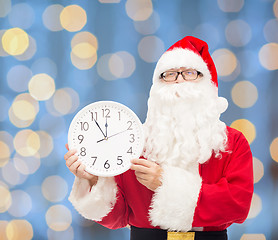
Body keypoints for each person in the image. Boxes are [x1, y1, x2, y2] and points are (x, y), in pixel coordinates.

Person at [64, 36, 254, 240]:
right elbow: (118, 217)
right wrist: (94, 179)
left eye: (190, 73)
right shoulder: (134, 142)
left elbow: (238, 205)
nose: (179, 80)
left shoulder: (233, 142)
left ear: (208, 83)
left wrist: (166, 183)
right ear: (156, 87)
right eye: (169, 75)